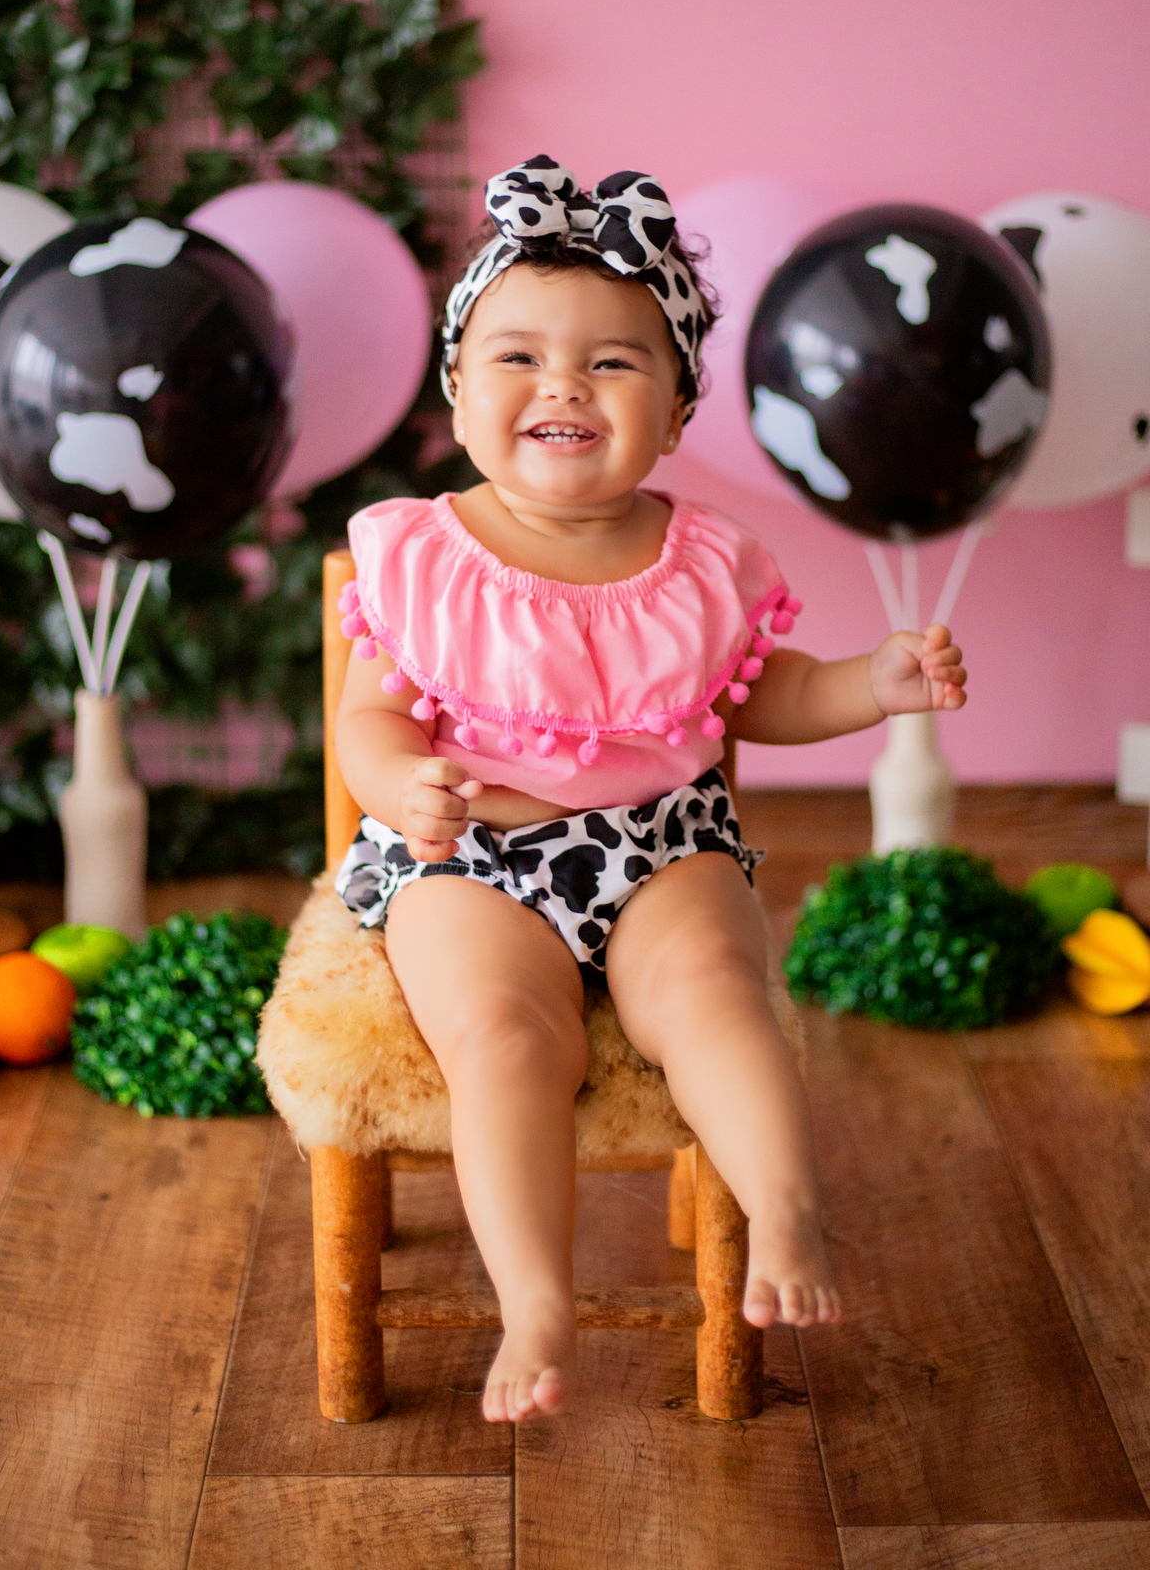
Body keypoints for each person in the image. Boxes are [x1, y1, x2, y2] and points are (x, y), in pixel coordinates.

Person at [334, 157, 967, 1424]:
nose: (563, 384)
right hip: (470, 858)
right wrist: (405, 784)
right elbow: (369, 720)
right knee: (506, 1040)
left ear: (675, 411)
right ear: (457, 387)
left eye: (613, 362)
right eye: (518, 356)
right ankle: (535, 1300)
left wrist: (870, 683)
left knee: (716, 987)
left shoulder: (705, 564)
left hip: (663, 848)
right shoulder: (422, 559)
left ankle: (787, 1210)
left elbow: (763, 698)